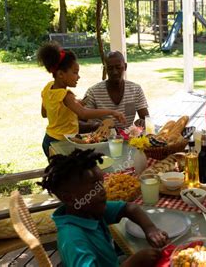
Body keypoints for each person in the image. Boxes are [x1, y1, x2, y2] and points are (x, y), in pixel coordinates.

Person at [39, 149, 168, 266]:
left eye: (100, 184)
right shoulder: (73, 240)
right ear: (68, 198)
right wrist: (134, 262)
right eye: (94, 186)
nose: (102, 190)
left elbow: (129, 208)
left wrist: (151, 229)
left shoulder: (89, 211)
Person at [38, 43, 126, 157]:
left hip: (48, 140)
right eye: (75, 72)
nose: (78, 76)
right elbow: (84, 114)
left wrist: (73, 104)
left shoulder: (48, 87)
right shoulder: (66, 95)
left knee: (58, 173)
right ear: (60, 74)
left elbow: (45, 113)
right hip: (62, 142)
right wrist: (112, 112)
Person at [81, 51, 149, 131]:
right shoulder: (93, 92)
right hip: (102, 139)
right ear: (105, 69)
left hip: (127, 139)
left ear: (125, 66)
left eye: (118, 67)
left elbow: (146, 119)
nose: (115, 72)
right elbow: (81, 121)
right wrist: (99, 126)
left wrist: (142, 122)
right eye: (110, 68)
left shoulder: (135, 90)